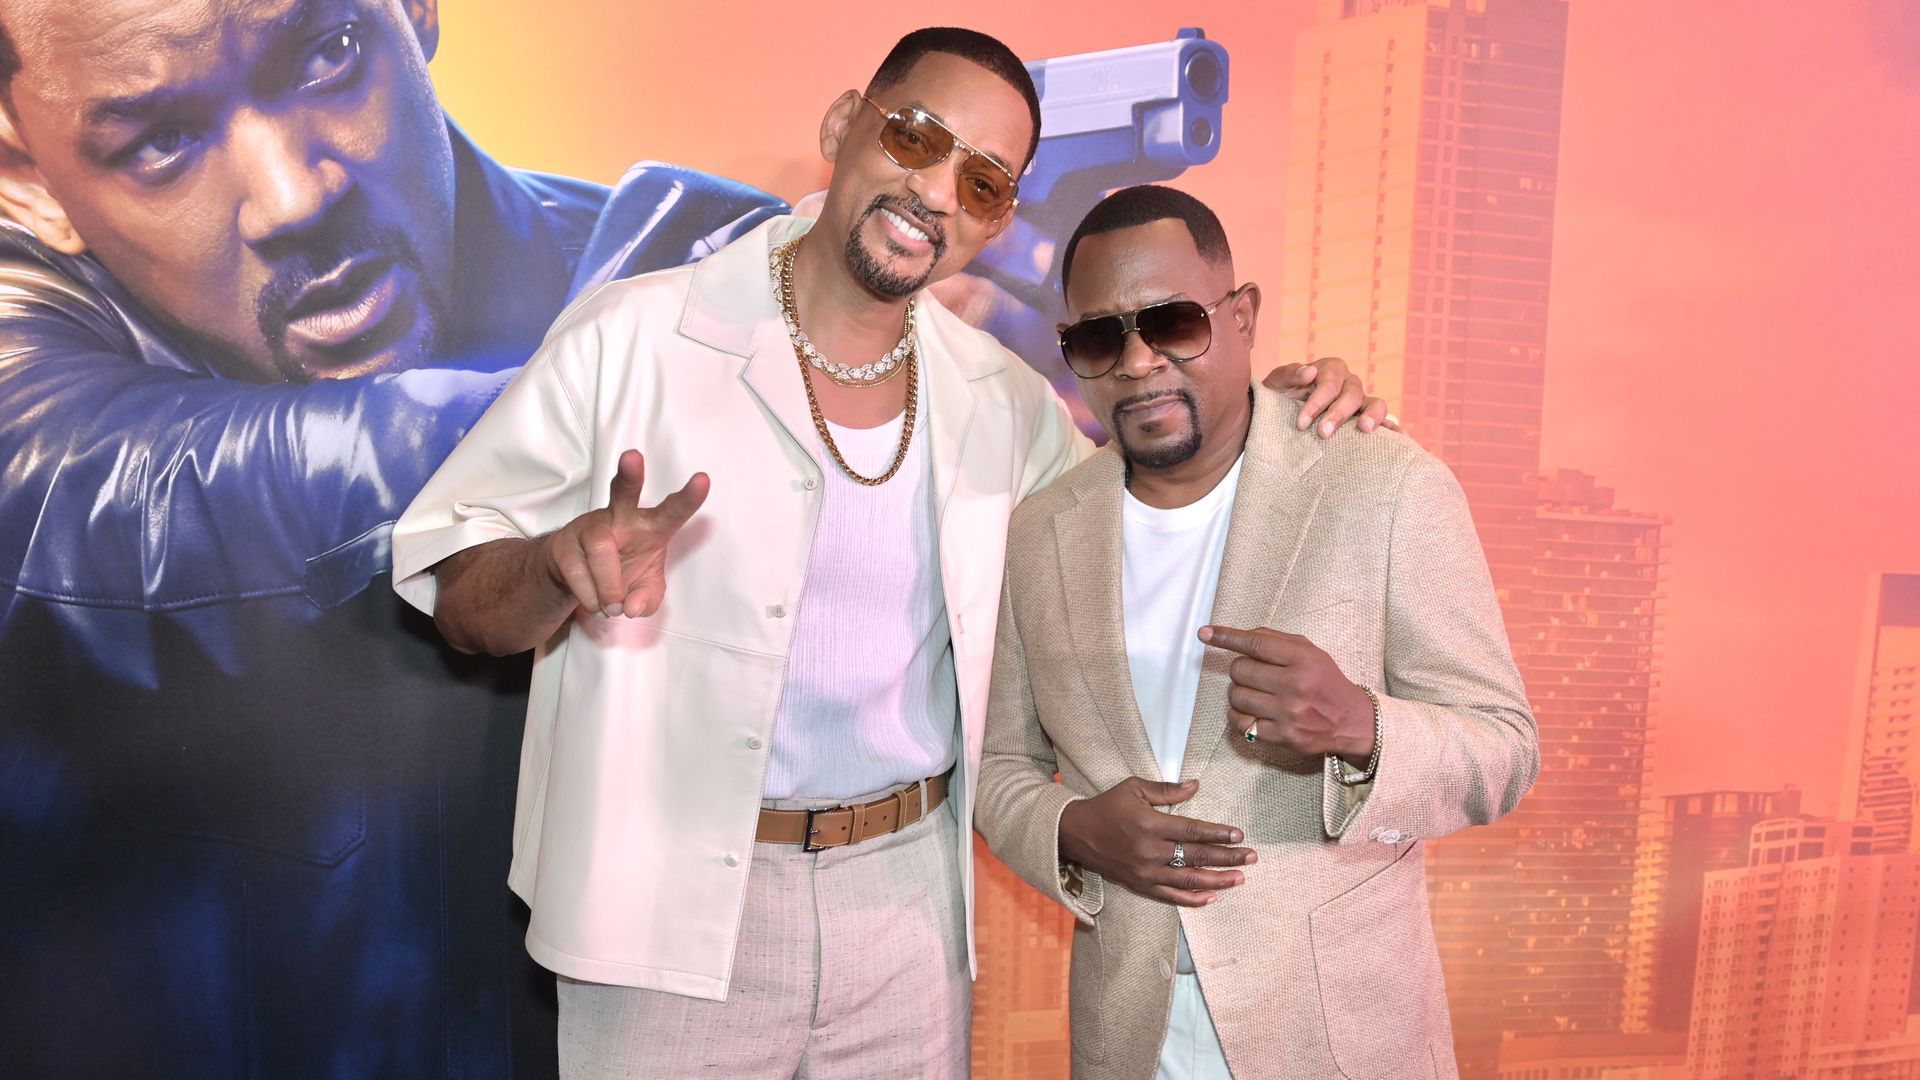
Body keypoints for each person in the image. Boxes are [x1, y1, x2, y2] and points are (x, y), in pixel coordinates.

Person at [391, 30, 1388, 1078]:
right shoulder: (633, 338)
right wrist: (555, 568)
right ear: (842, 125)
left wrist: (1277, 407)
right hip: (668, 916)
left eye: (984, 181)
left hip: (907, 910)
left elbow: (1157, 515)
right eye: (915, 137)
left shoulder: (1003, 401)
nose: (936, 192)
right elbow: (460, 593)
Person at [0, 1, 784, 1075]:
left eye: (327, 54)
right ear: (24, 170)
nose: (294, 194)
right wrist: (621, 417)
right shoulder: (31, 333)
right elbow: (69, 482)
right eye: (159, 141)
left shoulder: (695, 263)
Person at [973, 185, 1538, 1079]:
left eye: (1172, 322)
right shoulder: (1042, 529)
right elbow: (998, 765)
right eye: (1097, 337)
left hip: (1337, 1038)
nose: (1137, 360)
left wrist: (1361, 727)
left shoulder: (1383, 483)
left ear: (1241, 317)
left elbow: (1503, 748)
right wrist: (1073, 827)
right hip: (1128, 1038)